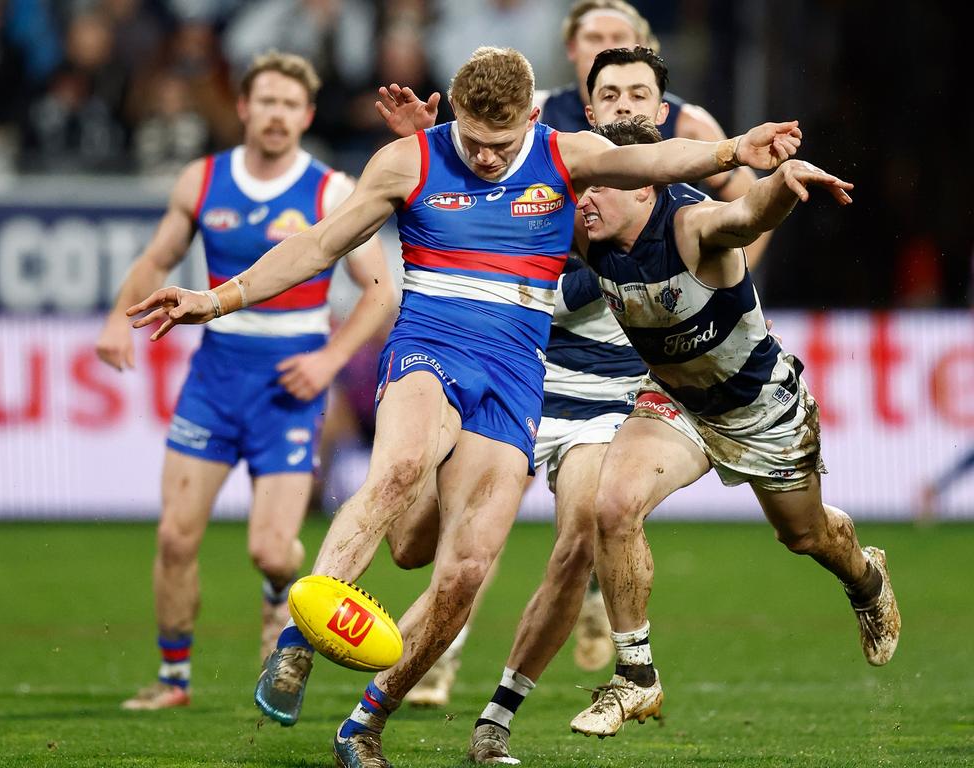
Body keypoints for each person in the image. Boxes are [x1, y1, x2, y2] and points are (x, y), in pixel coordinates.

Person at [126, 46, 802, 766]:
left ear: (533, 120)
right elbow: (320, 245)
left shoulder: (565, 154)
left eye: (501, 145)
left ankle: (364, 725)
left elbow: (659, 163)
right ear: (452, 113)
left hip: (514, 374)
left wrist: (738, 149)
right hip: (429, 343)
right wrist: (214, 298)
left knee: (466, 571)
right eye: (472, 141)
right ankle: (296, 646)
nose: (484, 158)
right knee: (401, 465)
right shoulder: (408, 160)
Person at [566, 116, 900, 739]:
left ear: (644, 187)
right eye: (583, 185)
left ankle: (866, 576)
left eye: (600, 185)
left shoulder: (691, 227)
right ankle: (636, 678)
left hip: (759, 408)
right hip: (676, 404)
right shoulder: (587, 233)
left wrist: (782, 181)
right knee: (612, 506)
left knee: (805, 537)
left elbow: (745, 216)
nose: (583, 198)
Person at [95, 51, 394, 711]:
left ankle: (274, 599)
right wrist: (121, 319)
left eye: (291, 104)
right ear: (244, 108)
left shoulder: (330, 192)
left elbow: (381, 294)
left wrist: (327, 362)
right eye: (267, 102)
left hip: (289, 385)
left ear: (307, 115)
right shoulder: (203, 180)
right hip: (216, 374)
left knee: (268, 550)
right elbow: (157, 259)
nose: (278, 115)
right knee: (175, 537)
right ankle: (173, 680)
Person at [539, 0, 773, 266]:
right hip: (578, 287)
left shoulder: (689, 122)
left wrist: (729, 280)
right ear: (571, 48)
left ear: (640, 45)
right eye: (593, 38)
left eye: (618, 38)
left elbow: (755, 203)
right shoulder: (539, 112)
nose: (605, 46)